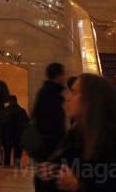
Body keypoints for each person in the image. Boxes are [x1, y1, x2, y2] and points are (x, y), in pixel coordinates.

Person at [38, 74, 116, 192]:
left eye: (74, 93)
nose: (67, 98)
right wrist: (47, 173)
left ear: (91, 100)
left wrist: (78, 187)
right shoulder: (74, 135)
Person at [31, 63, 67, 192]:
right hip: (49, 144)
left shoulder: (47, 91)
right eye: (63, 73)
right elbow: (52, 121)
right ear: (57, 75)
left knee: (46, 175)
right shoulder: (51, 93)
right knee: (48, 178)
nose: (64, 77)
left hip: (46, 143)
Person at [0, 95, 28, 168]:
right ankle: (17, 173)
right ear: (16, 101)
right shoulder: (22, 111)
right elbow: (27, 124)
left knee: (7, 156)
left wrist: (0, 139)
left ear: (9, 102)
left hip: (7, 137)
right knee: (17, 157)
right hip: (19, 137)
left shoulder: (5, 111)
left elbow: (1, 126)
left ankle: (7, 172)